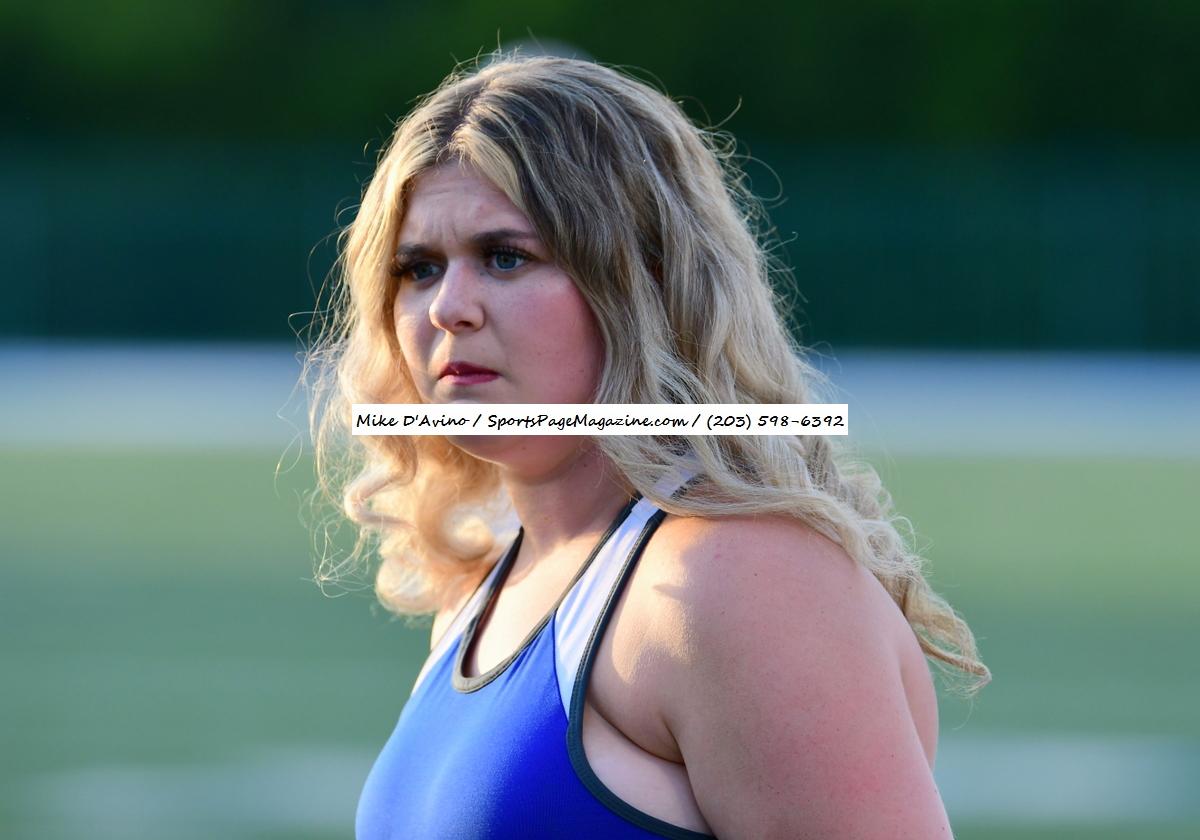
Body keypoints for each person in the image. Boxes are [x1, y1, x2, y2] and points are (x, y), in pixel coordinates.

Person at [305, 50, 989, 839]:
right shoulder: (483, 597)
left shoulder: (737, 578)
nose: (448, 307)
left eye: (506, 257)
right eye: (418, 269)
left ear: (647, 279)